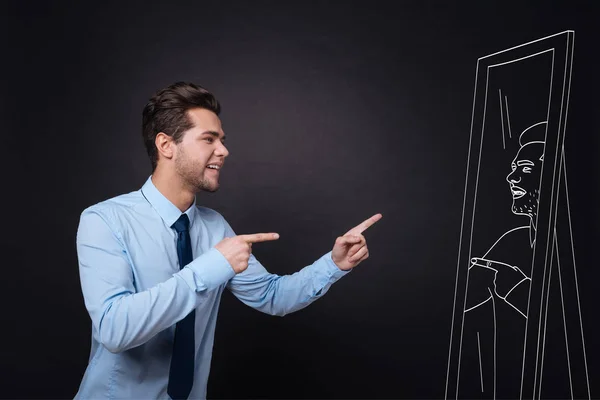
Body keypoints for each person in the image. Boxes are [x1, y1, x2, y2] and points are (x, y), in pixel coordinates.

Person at [74, 81, 382, 399]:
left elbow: (275, 296)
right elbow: (113, 329)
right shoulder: (104, 221)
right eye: (209, 139)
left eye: (221, 140)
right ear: (166, 145)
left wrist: (334, 264)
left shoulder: (215, 228)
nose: (224, 150)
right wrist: (211, 268)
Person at [460, 121, 546, 398]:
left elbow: (577, 329)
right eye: (514, 169)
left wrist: (515, 288)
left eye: (527, 170)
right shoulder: (513, 239)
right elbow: (468, 304)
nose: (513, 178)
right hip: (509, 380)